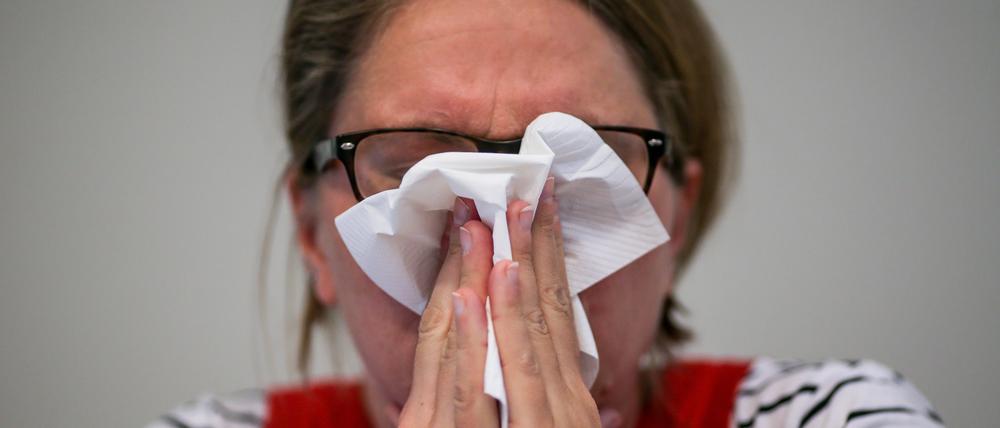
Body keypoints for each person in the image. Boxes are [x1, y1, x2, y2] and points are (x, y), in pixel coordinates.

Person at [152, 0, 943, 427]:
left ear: (679, 220)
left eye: (575, 170)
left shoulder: (838, 416)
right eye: (417, 169)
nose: (502, 248)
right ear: (311, 236)